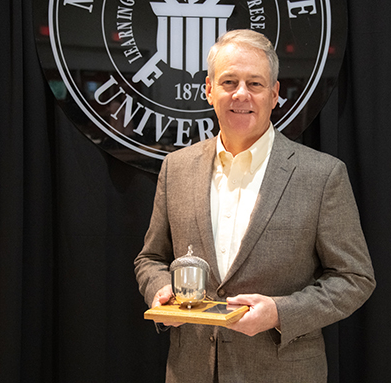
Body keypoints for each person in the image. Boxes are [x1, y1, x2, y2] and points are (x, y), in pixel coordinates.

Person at [134, 29, 375, 383]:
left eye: (255, 84)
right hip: (190, 372)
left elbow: (355, 278)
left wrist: (280, 312)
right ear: (209, 90)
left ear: (275, 94)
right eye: (229, 81)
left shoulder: (322, 175)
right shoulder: (177, 168)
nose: (241, 94)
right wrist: (159, 290)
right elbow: (151, 259)